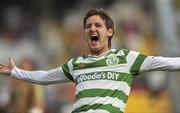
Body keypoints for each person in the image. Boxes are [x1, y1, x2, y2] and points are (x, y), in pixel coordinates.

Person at [0, 8, 180, 113]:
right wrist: (15, 72)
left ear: (109, 32)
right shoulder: (76, 64)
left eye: (97, 25)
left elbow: (166, 62)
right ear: (85, 34)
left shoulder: (127, 58)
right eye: (88, 26)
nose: (92, 28)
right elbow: (46, 77)